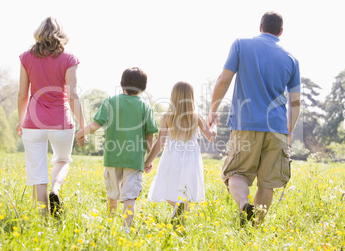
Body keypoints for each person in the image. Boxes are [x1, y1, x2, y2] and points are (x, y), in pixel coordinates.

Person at [207, 11, 301, 226]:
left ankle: (243, 205)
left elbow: (224, 79)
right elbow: (295, 102)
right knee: (267, 183)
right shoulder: (292, 59)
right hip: (277, 128)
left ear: (260, 27)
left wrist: (213, 108)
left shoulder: (241, 45)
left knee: (235, 172)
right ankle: (253, 230)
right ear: (281, 32)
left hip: (246, 124)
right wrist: (290, 128)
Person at [17, 17, 86, 218]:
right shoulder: (69, 59)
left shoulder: (25, 57)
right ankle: (55, 190)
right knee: (62, 160)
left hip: (32, 123)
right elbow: (73, 96)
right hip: (61, 123)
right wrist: (83, 126)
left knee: (37, 173)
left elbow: (22, 94)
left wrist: (21, 121)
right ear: (61, 35)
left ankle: (44, 221)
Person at [76, 67, 158, 233]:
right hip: (135, 160)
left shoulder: (111, 101)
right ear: (143, 88)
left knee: (113, 193)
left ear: (122, 84)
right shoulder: (146, 107)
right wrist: (147, 158)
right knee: (129, 197)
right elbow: (150, 137)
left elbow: (96, 123)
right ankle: (125, 230)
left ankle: (110, 224)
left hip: (113, 158)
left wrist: (80, 133)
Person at [145, 81, 216, 223]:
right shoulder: (196, 117)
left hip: (172, 157)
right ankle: (181, 210)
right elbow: (211, 137)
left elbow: (160, 142)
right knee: (184, 190)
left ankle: (180, 213)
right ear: (191, 97)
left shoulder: (167, 117)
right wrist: (214, 125)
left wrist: (147, 161)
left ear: (173, 97)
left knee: (166, 189)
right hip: (191, 159)